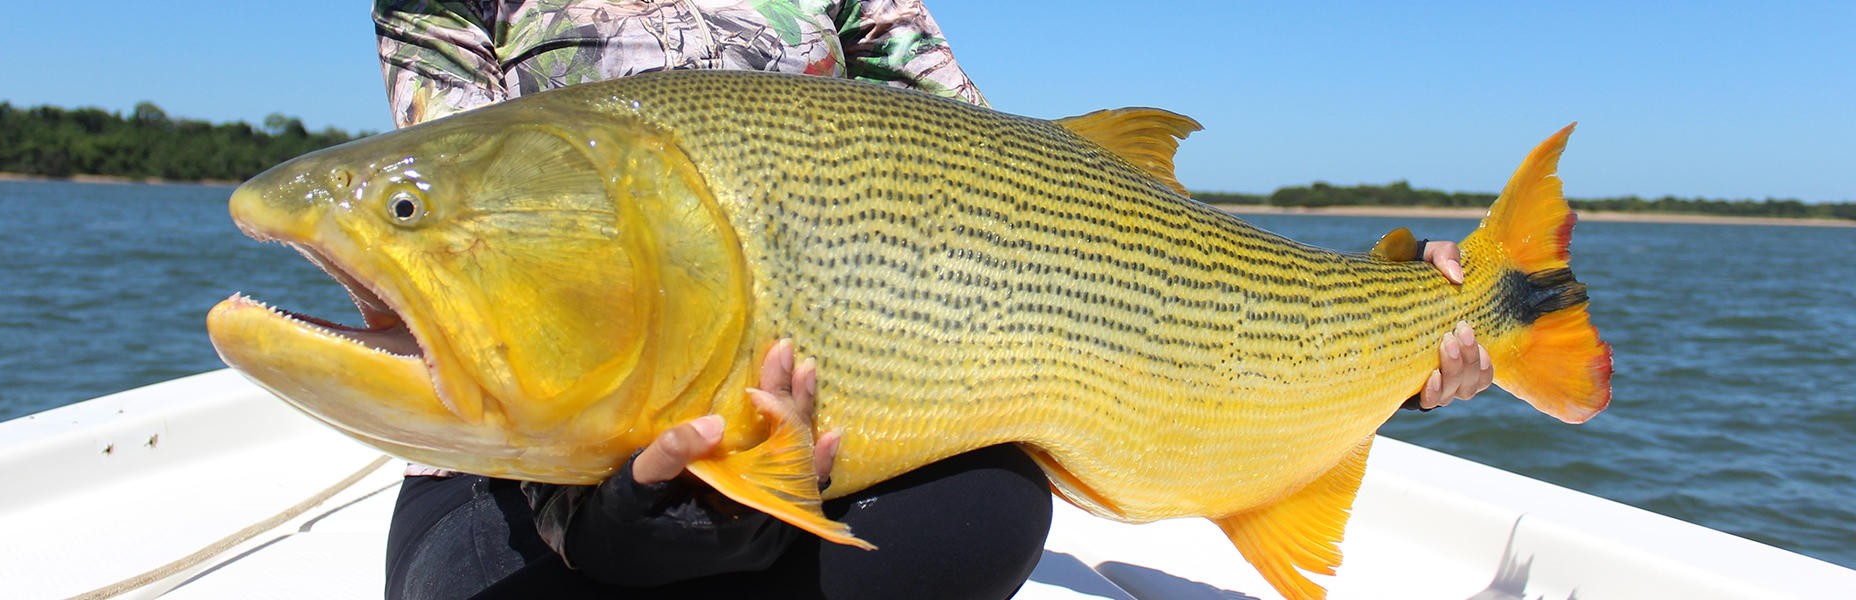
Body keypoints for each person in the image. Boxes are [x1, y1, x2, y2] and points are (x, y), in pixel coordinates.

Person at [372, 2, 1494, 598]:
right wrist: (609, 526)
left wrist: (1401, 354)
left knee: (991, 516)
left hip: (834, 440)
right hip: (520, 466)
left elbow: (1006, 184)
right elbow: (466, 221)